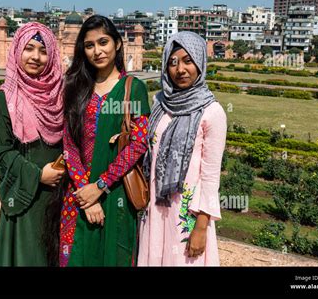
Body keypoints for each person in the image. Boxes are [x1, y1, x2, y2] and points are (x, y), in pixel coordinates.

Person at [58, 15, 150, 266]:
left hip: (115, 194)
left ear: (117, 44)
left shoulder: (133, 89)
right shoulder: (76, 86)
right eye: (89, 45)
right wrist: (84, 195)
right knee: (75, 257)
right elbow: (69, 144)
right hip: (77, 197)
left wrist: (99, 187)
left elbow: (138, 145)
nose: (97, 51)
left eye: (103, 42)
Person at [138, 31, 227, 266]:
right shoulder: (160, 102)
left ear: (200, 63)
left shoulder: (212, 112)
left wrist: (201, 226)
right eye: (173, 62)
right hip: (155, 208)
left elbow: (210, 176)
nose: (180, 70)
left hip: (187, 214)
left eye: (188, 61)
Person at [0, 22, 64, 266]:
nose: (36, 57)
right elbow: (1, 153)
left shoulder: (61, 96)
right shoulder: (5, 100)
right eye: (29, 48)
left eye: (43, 51)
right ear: (17, 50)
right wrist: (38, 175)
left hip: (60, 198)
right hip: (25, 199)